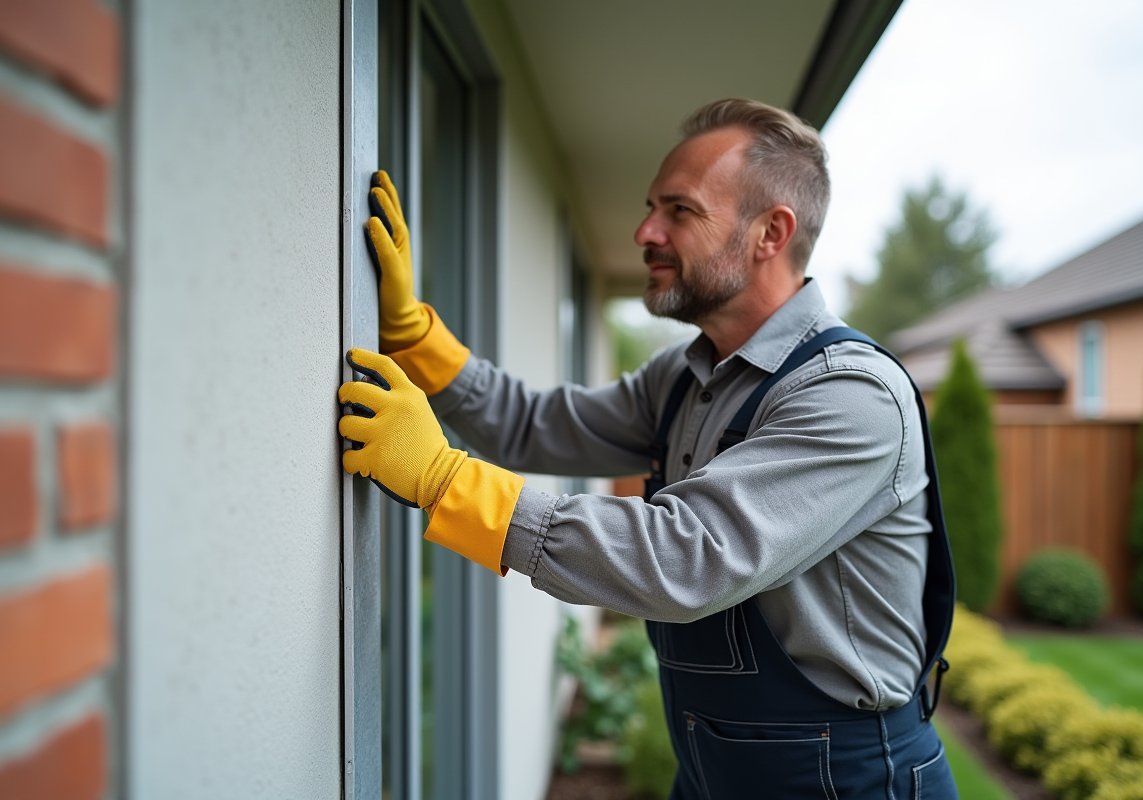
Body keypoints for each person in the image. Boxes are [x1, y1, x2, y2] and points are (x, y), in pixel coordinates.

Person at [338, 98, 958, 799]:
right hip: (711, 768)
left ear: (769, 233)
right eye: (649, 207)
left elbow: (684, 558)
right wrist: (420, 338)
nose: (644, 231)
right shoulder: (687, 373)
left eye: (679, 211)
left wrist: (446, 482)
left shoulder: (849, 395)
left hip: (846, 779)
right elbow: (534, 425)